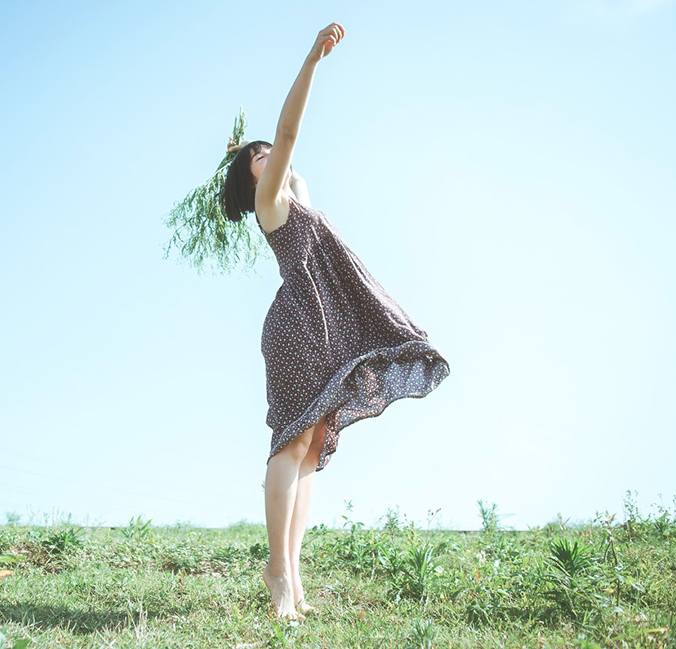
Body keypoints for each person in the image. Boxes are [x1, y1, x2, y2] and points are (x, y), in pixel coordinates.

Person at [221, 23, 451, 620]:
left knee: (315, 445)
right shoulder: (269, 203)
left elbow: (296, 170)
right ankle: (277, 571)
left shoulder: (292, 196)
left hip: (323, 325)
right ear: (252, 179)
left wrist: (244, 152)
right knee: (292, 441)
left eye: (267, 153)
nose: (270, 155)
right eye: (258, 158)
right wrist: (311, 61)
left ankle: (294, 579)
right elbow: (289, 134)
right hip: (297, 326)